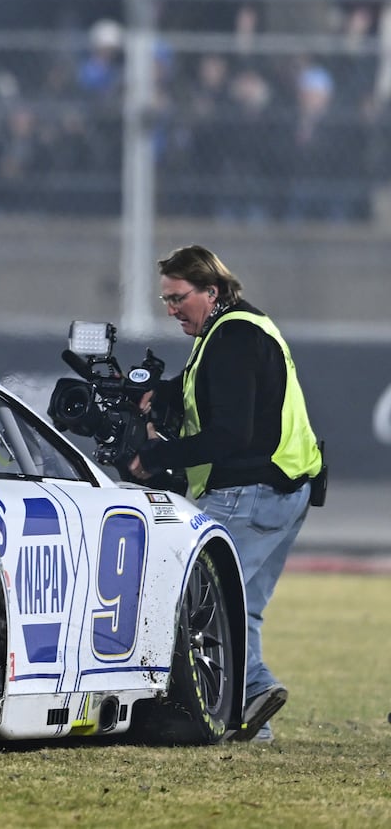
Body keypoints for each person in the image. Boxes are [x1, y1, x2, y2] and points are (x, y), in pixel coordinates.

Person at [127, 244, 326, 744]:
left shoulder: (232, 336)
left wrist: (154, 458)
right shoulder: (237, 327)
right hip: (285, 488)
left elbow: (230, 434)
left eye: (178, 298)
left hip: (252, 491)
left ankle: (251, 687)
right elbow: (219, 390)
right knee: (243, 608)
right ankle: (251, 716)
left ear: (210, 291)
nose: (170, 309)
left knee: (194, 598)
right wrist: (166, 392)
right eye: (166, 299)